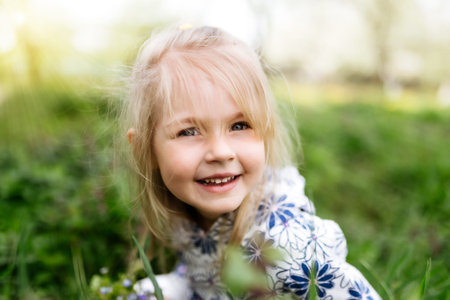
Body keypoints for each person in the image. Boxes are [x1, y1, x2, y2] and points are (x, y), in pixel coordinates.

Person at [124, 24, 381, 300]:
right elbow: (201, 275)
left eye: (239, 125)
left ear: (265, 130)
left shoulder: (282, 244)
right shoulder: (191, 213)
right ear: (146, 149)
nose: (221, 152)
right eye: (189, 131)